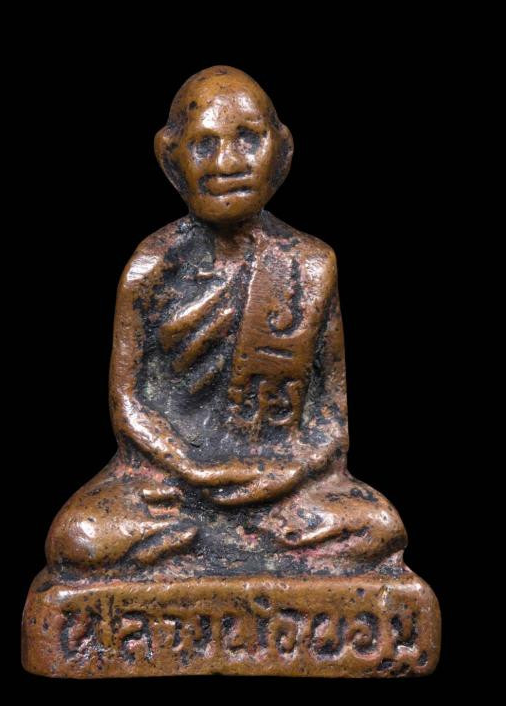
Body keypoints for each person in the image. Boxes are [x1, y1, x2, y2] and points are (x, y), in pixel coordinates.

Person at [46, 66, 407, 578]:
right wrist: (187, 466)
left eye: (248, 140)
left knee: (380, 526)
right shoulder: (153, 267)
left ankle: (213, 546)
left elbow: (331, 421)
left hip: (282, 484)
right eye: (203, 145)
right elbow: (128, 406)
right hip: (171, 484)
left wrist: (287, 473)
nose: (227, 163)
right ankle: (231, 545)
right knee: (80, 536)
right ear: (170, 159)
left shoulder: (310, 265)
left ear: (282, 151)